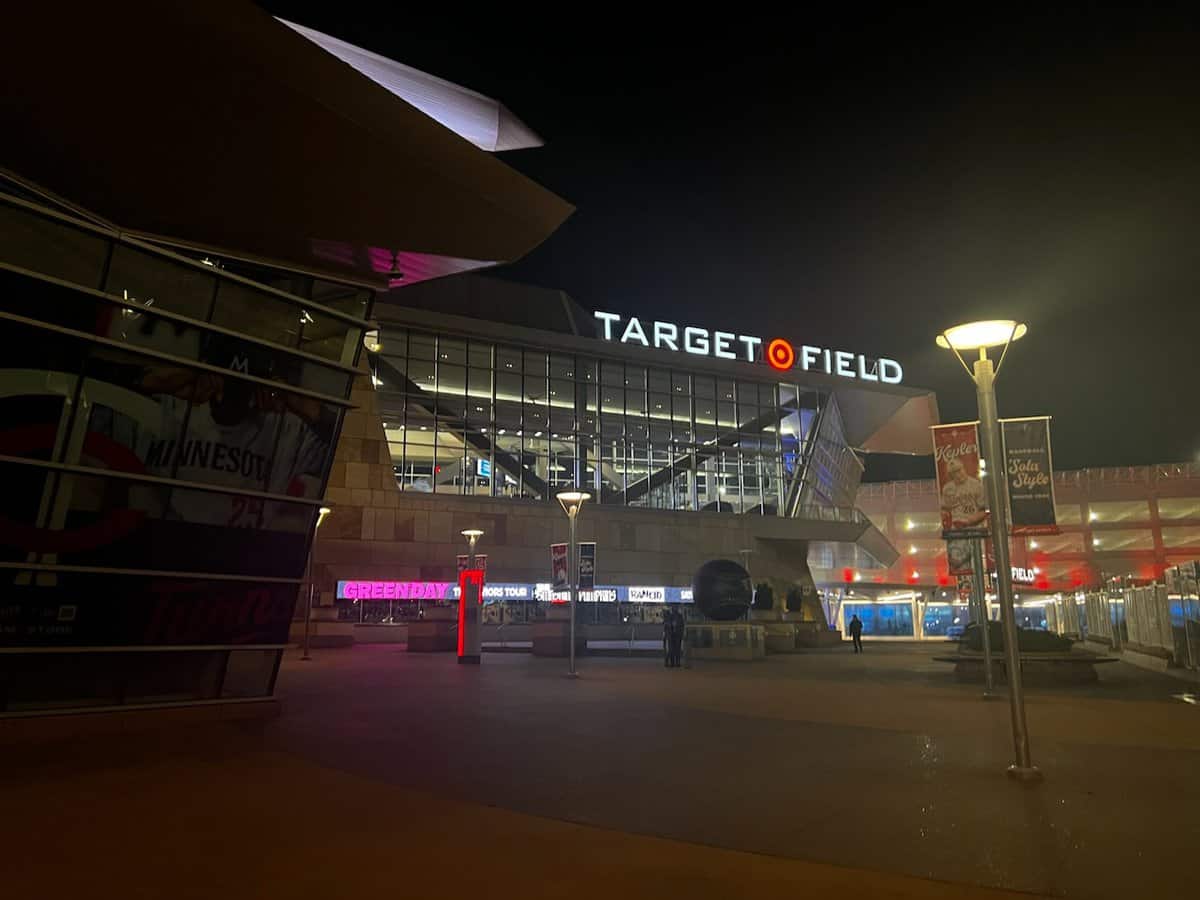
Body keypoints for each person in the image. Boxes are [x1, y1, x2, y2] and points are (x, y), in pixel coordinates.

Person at [940, 457, 987, 531]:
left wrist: (969, 521)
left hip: (975, 528)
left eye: (959, 470)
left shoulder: (976, 485)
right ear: (950, 475)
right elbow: (944, 510)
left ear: (963, 468)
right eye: (954, 473)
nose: (958, 474)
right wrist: (946, 521)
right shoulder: (947, 488)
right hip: (954, 529)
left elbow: (984, 510)